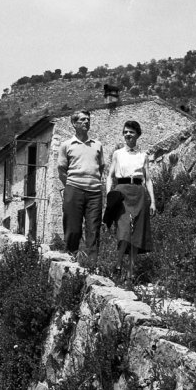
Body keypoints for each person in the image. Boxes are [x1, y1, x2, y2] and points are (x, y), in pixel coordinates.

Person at [105, 120, 156, 282]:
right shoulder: (118, 154)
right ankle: (118, 265)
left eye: (131, 132)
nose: (128, 134)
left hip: (139, 193)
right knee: (124, 231)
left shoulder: (143, 156)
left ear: (138, 135)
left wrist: (153, 201)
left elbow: (148, 180)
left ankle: (131, 272)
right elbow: (109, 176)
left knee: (137, 233)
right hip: (122, 193)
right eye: (125, 131)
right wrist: (109, 195)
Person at [57, 110, 105, 263]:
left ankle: (92, 264)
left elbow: (101, 167)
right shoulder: (66, 145)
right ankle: (70, 261)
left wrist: (92, 182)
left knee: (93, 228)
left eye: (88, 120)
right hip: (74, 190)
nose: (86, 122)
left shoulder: (97, 145)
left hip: (95, 192)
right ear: (74, 123)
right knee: (73, 228)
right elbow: (62, 171)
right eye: (83, 120)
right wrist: (72, 186)